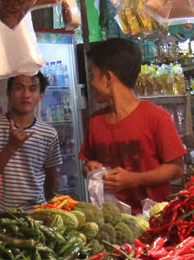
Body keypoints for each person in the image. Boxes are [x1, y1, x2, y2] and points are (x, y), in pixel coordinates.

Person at [80, 38, 186, 213]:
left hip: (152, 218)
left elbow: (176, 168)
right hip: (112, 221)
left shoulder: (156, 117)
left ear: (107, 78)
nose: (90, 84)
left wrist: (134, 179)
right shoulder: (95, 122)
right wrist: (90, 167)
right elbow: (89, 164)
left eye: (92, 75)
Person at [0, 72, 61, 210]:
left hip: (36, 212)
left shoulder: (48, 134)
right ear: (9, 94)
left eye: (32, 89)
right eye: (19, 88)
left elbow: (51, 176)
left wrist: (51, 207)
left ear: (41, 96)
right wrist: (11, 147)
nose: (26, 94)